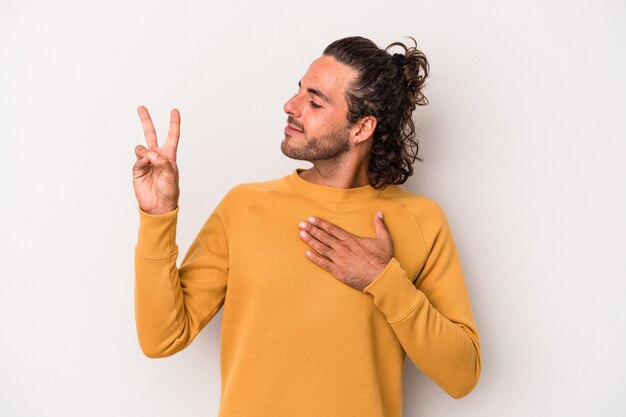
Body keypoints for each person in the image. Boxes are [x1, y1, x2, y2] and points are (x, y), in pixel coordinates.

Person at [132, 36, 481, 417]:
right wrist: (157, 217)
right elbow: (162, 337)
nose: (291, 106)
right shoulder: (246, 206)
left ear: (362, 128)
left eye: (315, 102)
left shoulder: (420, 221)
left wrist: (382, 280)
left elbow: (461, 376)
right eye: (298, 91)